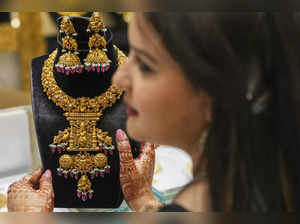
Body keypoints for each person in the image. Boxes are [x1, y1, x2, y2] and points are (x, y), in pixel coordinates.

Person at [7, 12, 300, 212]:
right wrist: (145, 201)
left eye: (146, 65)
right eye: (130, 52)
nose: (120, 78)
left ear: (214, 93)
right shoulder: (257, 183)